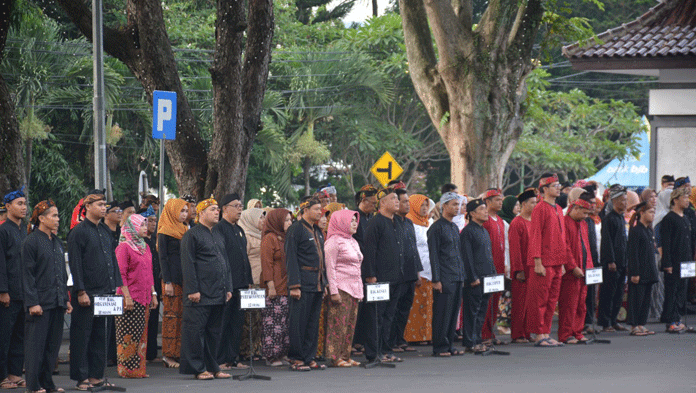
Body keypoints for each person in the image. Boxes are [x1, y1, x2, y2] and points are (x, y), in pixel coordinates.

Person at [68, 193, 124, 390]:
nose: (103, 208)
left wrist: (116, 287)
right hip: (88, 293)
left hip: (106, 291)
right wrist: (80, 291)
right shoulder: (79, 232)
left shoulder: (105, 231)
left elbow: (112, 261)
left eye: (104, 205)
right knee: (83, 336)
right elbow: (75, 265)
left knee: (102, 335)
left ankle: (96, 376)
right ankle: (81, 378)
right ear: (88, 206)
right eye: (99, 204)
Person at [179, 197, 232, 380]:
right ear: (201, 213)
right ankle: (198, 368)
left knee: (214, 333)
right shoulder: (191, 235)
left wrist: (228, 287)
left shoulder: (217, 234)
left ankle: (213, 366)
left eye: (218, 209)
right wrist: (193, 289)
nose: (217, 212)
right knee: (195, 332)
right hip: (199, 294)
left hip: (218, 292)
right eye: (213, 209)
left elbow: (225, 262)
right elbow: (188, 264)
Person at [22, 200, 72, 393]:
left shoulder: (57, 241)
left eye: (58, 215)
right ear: (41, 218)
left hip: (57, 301)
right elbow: (27, 275)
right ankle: (33, 386)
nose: (57, 219)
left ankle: (47, 383)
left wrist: (66, 299)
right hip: (40, 303)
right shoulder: (31, 241)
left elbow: (62, 271)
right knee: (36, 347)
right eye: (53, 216)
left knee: (52, 348)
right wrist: (33, 302)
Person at [363, 188, 406, 364]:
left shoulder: (397, 222)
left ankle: (386, 350)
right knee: (376, 317)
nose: (397, 201)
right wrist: (370, 274)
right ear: (383, 203)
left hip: (397, 277)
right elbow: (370, 251)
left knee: (390, 316)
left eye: (398, 198)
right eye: (393, 198)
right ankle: (374, 353)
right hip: (379, 279)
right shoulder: (376, 222)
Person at [285, 197, 326, 371]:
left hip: (317, 283)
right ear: (305, 210)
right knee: (298, 322)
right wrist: (294, 285)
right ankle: (296, 358)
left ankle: (310, 357)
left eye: (320, 209)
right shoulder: (295, 229)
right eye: (316, 209)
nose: (320, 212)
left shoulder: (317, 230)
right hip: (302, 282)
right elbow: (291, 258)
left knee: (312, 323)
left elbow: (322, 259)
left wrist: (324, 284)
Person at [114, 214, 158, 378]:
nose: (145, 228)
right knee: (128, 334)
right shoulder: (124, 247)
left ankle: (138, 369)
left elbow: (150, 272)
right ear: (132, 228)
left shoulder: (145, 246)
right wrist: (127, 296)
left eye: (145, 225)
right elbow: (121, 274)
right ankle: (126, 370)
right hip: (130, 297)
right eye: (141, 226)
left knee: (141, 333)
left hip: (144, 296)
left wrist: (153, 293)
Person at [214, 194, 253, 370]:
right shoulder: (219, 229)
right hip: (227, 284)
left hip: (241, 282)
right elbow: (220, 259)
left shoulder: (239, 229)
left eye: (240, 206)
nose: (239, 209)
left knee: (238, 323)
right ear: (224, 209)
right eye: (236, 206)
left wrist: (249, 280)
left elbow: (244, 257)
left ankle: (232, 357)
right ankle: (220, 358)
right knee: (224, 322)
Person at [526, 174, 566, 347]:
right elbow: (535, 235)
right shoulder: (540, 208)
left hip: (557, 261)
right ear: (544, 189)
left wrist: (563, 262)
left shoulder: (557, 208)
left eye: (558, 185)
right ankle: (539, 333)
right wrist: (537, 261)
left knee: (552, 300)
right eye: (554, 185)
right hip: (544, 261)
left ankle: (547, 332)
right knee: (540, 299)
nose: (558, 188)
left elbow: (562, 237)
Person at [324, 210, 363, 367]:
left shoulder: (353, 241)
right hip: (341, 288)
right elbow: (330, 268)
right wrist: (334, 291)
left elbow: (357, 266)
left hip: (354, 288)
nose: (354, 223)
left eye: (355, 220)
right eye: (351, 220)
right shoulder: (333, 241)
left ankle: (345, 355)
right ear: (341, 222)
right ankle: (334, 357)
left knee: (350, 324)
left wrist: (360, 290)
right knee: (337, 324)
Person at [428, 192, 466, 357]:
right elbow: (434, 256)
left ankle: (449, 344)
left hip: (457, 276)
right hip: (444, 277)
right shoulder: (436, 228)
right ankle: (440, 347)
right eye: (454, 205)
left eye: (458, 205)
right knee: (442, 313)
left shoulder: (453, 227)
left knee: (453, 313)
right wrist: (436, 279)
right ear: (444, 206)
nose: (457, 208)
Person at [0, 187, 28, 390]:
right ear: (8, 206)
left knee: (20, 335)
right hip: (8, 292)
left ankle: (14, 373)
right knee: (4, 335)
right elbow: (1, 263)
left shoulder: (24, 230)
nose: (24, 207)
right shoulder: (3, 231)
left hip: (24, 291)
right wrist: (3, 290)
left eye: (25, 203)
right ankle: (2, 376)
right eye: (19, 203)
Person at [557, 190, 594, 345]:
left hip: (583, 268)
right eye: (584, 213)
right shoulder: (564, 223)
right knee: (568, 304)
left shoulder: (583, 224)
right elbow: (565, 248)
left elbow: (587, 247)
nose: (585, 216)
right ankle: (566, 334)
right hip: (572, 271)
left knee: (581, 304)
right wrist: (573, 267)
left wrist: (589, 267)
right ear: (575, 209)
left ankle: (577, 331)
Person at [460, 199, 496, 353]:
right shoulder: (468, 232)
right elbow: (466, 257)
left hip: (487, 278)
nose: (486, 211)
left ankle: (477, 339)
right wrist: (472, 277)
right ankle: (470, 341)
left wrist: (494, 275)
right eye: (482, 209)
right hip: (475, 280)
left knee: (482, 311)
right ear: (472, 213)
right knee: (472, 311)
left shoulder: (483, 230)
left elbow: (488, 255)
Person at [390, 187, 422, 353]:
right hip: (397, 274)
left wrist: (418, 272)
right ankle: (392, 341)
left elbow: (413, 248)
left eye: (408, 202)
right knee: (393, 309)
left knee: (405, 308)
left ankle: (400, 339)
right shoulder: (391, 222)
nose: (407, 205)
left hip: (410, 271)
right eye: (403, 202)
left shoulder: (409, 222)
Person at [157, 198, 189, 368]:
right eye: (181, 211)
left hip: (184, 279)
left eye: (185, 211)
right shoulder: (165, 230)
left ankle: (178, 353)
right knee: (171, 316)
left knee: (182, 316)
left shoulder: (185, 229)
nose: (184, 214)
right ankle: (168, 355)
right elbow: (163, 257)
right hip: (171, 279)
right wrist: (167, 281)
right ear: (172, 211)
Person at [260, 208, 292, 367]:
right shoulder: (270, 238)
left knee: (285, 322)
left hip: (286, 285)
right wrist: (270, 286)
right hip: (275, 286)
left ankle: (282, 352)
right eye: (286, 220)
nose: (289, 223)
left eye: (290, 220)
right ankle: (272, 355)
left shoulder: (286, 238)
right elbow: (267, 263)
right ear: (277, 221)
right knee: (273, 323)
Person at [660, 187, 693, 333]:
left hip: (686, 261)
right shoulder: (669, 219)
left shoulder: (685, 218)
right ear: (675, 200)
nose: (687, 201)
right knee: (672, 291)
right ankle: (671, 320)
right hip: (674, 261)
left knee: (682, 291)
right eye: (685, 198)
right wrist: (667, 263)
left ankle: (679, 319)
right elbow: (666, 243)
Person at [598, 184, 629, 332]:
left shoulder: (621, 218)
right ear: (615, 201)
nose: (625, 203)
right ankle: (605, 322)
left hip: (622, 261)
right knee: (608, 293)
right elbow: (607, 241)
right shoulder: (609, 219)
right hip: (612, 263)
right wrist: (610, 260)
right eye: (622, 200)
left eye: (626, 200)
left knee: (618, 293)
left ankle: (614, 319)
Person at [351, 185, 378, 355]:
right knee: (358, 309)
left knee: (369, 309)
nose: (375, 206)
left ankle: (361, 340)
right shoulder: (355, 217)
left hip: (371, 267)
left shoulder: (372, 218)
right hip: (358, 268)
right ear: (363, 200)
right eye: (373, 203)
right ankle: (353, 341)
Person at [404, 194, 434, 343]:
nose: (424, 209)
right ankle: (411, 336)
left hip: (429, 270)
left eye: (426, 206)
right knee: (414, 305)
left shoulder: (428, 223)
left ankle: (425, 335)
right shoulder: (410, 224)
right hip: (417, 269)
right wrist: (416, 271)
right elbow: (412, 249)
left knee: (426, 304)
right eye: (421, 205)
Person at [508, 189, 537, 343]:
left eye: (536, 202)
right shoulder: (517, 223)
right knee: (520, 302)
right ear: (523, 204)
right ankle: (518, 333)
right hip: (523, 268)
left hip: (534, 267)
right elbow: (515, 249)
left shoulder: (535, 221)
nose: (535, 205)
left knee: (531, 302)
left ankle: (527, 332)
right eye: (532, 202)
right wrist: (518, 269)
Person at [626, 202, 658, 336]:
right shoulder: (635, 231)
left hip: (649, 270)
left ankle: (641, 323)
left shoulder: (648, 230)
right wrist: (634, 272)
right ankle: (634, 325)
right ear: (641, 213)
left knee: (646, 299)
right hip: (639, 271)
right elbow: (633, 253)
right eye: (650, 212)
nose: (652, 215)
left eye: (653, 212)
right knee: (636, 299)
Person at [238, 207, 266, 360]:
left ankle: (256, 348)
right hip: (252, 281)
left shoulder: (262, 236)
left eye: (263, 218)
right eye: (260, 218)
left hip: (261, 281)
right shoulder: (247, 236)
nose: (263, 221)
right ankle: (245, 350)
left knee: (258, 318)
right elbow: (243, 260)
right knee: (249, 318)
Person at [480, 188, 506, 344]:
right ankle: (483, 334)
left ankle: (490, 333)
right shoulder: (485, 220)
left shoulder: (501, 221)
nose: (500, 203)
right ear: (487, 202)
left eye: (501, 200)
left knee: (495, 301)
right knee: (486, 301)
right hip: (488, 267)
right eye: (497, 200)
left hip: (500, 266)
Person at [138, 207, 160, 363]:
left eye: (154, 221)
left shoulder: (153, 240)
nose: (152, 224)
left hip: (155, 284)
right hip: (141, 286)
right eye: (149, 221)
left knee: (153, 320)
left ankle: (151, 353)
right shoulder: (139, 242)